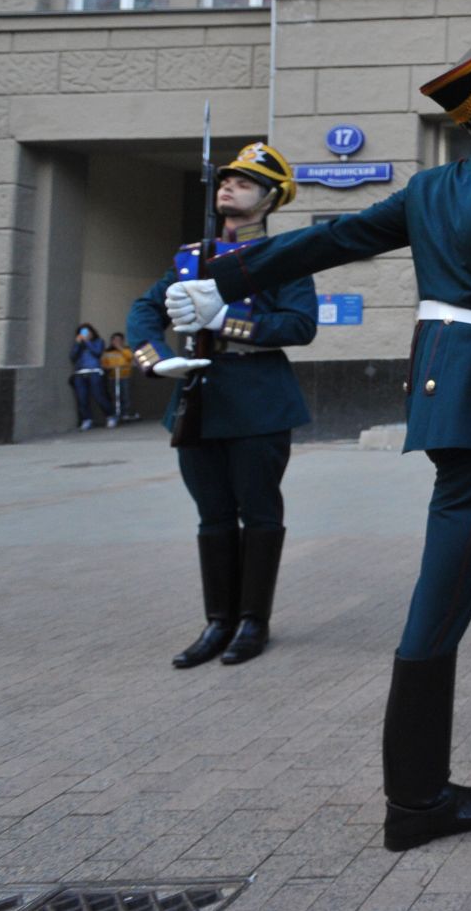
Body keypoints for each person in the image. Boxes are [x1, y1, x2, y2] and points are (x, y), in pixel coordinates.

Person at [167, 28, 471, 853]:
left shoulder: (433, 187)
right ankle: (416, 797)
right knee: (438, 610)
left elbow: (327, 242)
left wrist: (219, 277)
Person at [130, 142, 316, 668]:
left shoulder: (286, 257)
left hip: (258, 399)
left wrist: (222, 323)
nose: (228, 187)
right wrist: (156, 359)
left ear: (270, 199)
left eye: (245, 183)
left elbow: (300, 326)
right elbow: (145, 309)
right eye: (226, 180)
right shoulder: (193, 258)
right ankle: (218, 621)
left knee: (258, 512)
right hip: (199, 398)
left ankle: (254, 621)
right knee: (211, 515)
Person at [69, 324, 114, 429]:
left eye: (87, 332)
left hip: (94, 371)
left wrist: (87, 341)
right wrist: (77, 344)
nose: (84, 335)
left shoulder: (99, 342)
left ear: (92, 332)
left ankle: (110, 416)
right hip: (80, 373)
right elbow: (72, 357)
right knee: (82, 398)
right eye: (82, 332)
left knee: (99, 396)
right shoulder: (78, 344)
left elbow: (97, 353)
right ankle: (87, 419)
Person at [101, 332, 136, 423]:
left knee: (125, 395)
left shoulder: (126, 350)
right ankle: (115, 414)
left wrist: (120, 348)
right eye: (115, 340)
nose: (117, 342)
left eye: (119, 340)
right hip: (113, 377)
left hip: (124, 376)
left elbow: (130, 357)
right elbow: (104, 363)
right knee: (115, 396)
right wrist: (108, 368)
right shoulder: (107, 352)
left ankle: (125, 414)